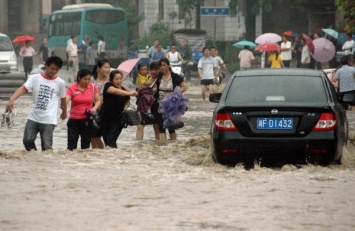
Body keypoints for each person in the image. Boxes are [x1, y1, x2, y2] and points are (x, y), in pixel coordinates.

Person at [5, 56, 67, 151]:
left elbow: (63, 99)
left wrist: (64, 112)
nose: (54, 71)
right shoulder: (35, 78)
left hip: (49, 120)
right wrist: (12, 99)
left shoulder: (60, 83)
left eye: (56, 70)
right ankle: (34, 159)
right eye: (52, 68)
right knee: (27, 140)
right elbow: (23, 88)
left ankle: (44, 164)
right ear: (46, 66)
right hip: (33, 117)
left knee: (47, 147)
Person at [99, 70, 138, 148]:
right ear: (111, 80)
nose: (119, 81)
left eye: (120, 79)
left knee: (111, 141)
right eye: (116, 79)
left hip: (118, 120)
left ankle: (115, 158)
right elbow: (116, 92)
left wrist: (125, 107)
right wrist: (130, 93)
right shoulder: (108, 86)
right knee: (107, 142)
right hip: (104, 119)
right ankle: (112, 158)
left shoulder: (125, 90)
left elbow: (127, 101)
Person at [66, 68, 102, 151]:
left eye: (89, 79)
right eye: (85, 79)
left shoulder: (92, 87)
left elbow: (98, 100)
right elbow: (67, 99)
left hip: (87, 120)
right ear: (79, 78)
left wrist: (94, 108)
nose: (87, 81)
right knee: (71, 147)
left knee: (85, 148)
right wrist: (63, 102)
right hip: (73, 120)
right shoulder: (72, 88)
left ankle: (84, 163)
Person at [154, 58, 187, 140]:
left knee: (171, 128)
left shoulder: (175, 76)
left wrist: (176, 94)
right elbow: (154, 87)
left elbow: (184, 87)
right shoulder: (158, 77)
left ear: (168, 65)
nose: (162, 67)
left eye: (164, 65)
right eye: (160, 66)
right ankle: (163, 148)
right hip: (160, 106)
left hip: (171, 106)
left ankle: (173, 146)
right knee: (161, 128)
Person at [90, 59, 111, 149]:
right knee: (93, 136)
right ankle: (97, 156)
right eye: (105, 67)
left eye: (109, 68)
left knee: (106, 137)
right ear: (98, 68)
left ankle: (103, 154)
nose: (107, 70)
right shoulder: (91, 80)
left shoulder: (111, 80)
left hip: (106, 112)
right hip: (93, 110)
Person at [136, 62, 159, 140]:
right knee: (142, 122)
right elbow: (147, 85)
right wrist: (153, 84)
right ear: (139, 71)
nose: (145, 71)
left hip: (154, 104)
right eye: (142, 70)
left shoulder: (147, 77)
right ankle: (139, 142)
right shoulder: (141, 78)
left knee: (156, 124)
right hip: (144, 103)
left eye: (146, 70)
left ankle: (159, 142)